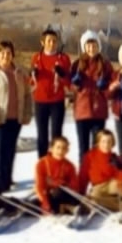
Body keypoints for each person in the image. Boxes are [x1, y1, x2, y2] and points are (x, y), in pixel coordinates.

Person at [0, 40, 33, 190]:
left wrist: (28, 114)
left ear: (12, 55)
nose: (5, 56)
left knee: (10, 150)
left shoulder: (20, 72)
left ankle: (8, 179)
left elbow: (28, 95)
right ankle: (0, 183)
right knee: (1, 151)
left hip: (16, 118)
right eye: (2, 53)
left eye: (8, 53)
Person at [79, 129, 122, 212]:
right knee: (93, 198)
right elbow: (83, 176)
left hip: (112, 185)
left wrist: (120, 168)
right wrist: (80, 193)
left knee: (118, 185)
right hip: (98, 187)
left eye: (109, 141)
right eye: (103, 141)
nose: (106, 144)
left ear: (112, 143)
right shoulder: (90, 156)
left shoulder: (114, 157)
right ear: (98, 142)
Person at [70, 30, 114, 162]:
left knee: (98, 146)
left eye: (94, 45)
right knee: (83, 147)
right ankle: (84, 175)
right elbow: (70, 85)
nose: (91, 48)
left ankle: (98, 174)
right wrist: (75, 83)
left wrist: (105, 86)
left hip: (98, 111)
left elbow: (111, 87)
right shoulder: (77, 64)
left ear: (98, 46)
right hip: (82, 110)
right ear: (84, 47)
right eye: (88, 45)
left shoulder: (105, 65)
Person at [30, 27, 72, 159]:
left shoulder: (63, 58)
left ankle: (57, 161)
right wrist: (33, 74)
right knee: (42, 135)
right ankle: (43, 162)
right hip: (40, 101)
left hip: (56, 101)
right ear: (42, 42)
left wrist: (62, 74)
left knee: (56, 135)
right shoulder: (36, 58)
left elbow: (68, 82)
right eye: (48, 41)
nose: (51, 43)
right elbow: (32, 82)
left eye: (54, 41)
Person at [35, 136, 80, 214]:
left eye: (64, 148)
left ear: (67, 150)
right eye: (58, 147)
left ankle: (63, 207)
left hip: (63, 194)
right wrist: (45, 202)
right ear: (51, 149)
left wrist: (61, 183)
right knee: (33, 204)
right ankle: (62, 208)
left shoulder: (69, 165)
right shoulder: (42, 163)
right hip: (48, 195)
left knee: (58, 192)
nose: (60, 151)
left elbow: (75, 187)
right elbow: (39, 186)